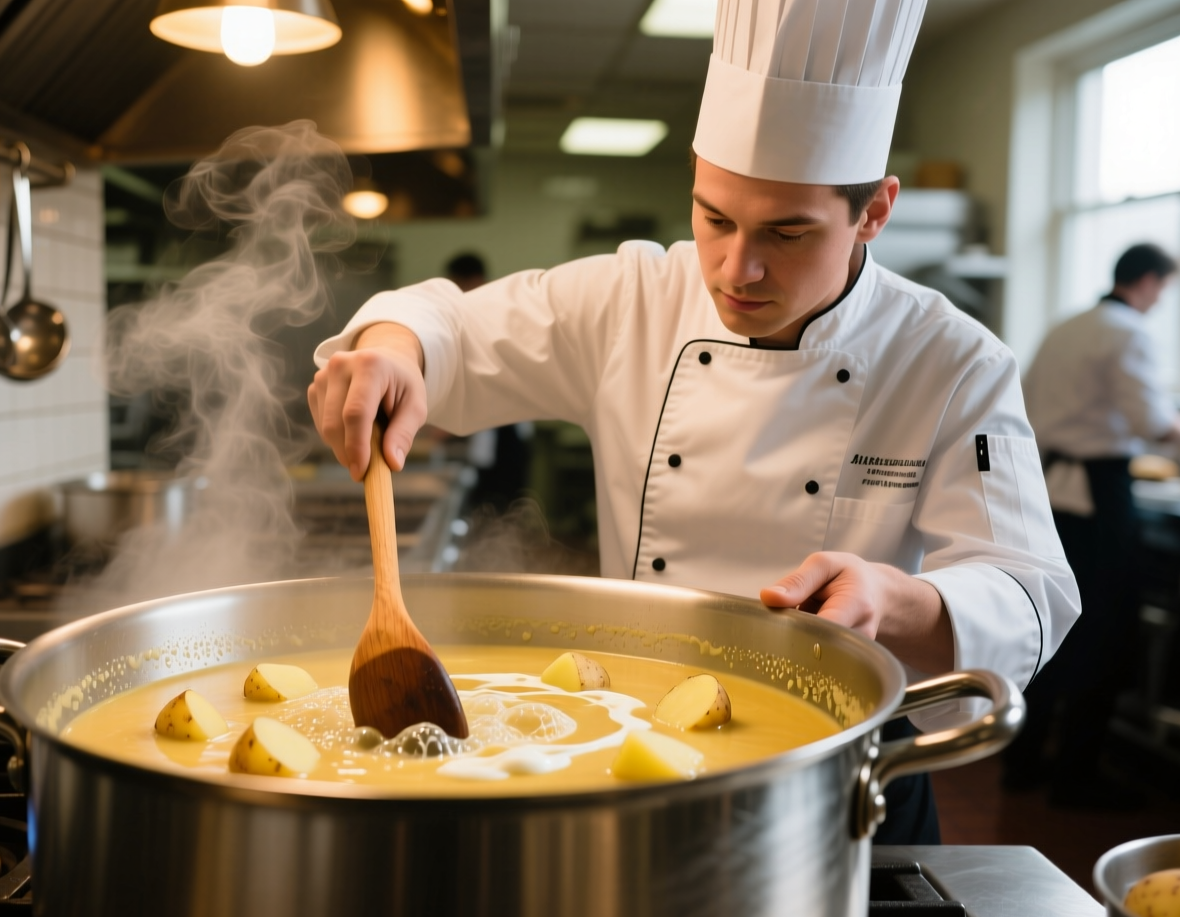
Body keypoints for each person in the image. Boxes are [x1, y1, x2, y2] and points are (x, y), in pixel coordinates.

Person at [310, 0, 1078, 844]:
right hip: (631, 740)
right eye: (713, 217)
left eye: (787, 233)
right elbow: (450, 324)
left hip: (836, 767)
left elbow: (1029, 587)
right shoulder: (632, 296)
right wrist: (391, 346)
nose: (735, 268)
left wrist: (897, 598)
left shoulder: (951, 358)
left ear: (874, 211)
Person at [1007, 243, 1180, 807]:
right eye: (1165, 290)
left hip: (1050, 489)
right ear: (1149, 282)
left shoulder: (1068, 325)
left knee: (1050, 629)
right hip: (1098, 495)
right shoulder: (1128, 330)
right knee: (1103, 634)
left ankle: (1022, 762)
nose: (1160, 302)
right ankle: (1075, 779)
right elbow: (1150, 419)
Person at [446, 252, 532, 510]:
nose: (459, 291)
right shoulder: (473, 313)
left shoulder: (497, 313)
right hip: (496, 427)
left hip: (507, 429)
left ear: (475, 280)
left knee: (500, 502)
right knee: (488, 503)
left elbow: (493, 377)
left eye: (459, 284)